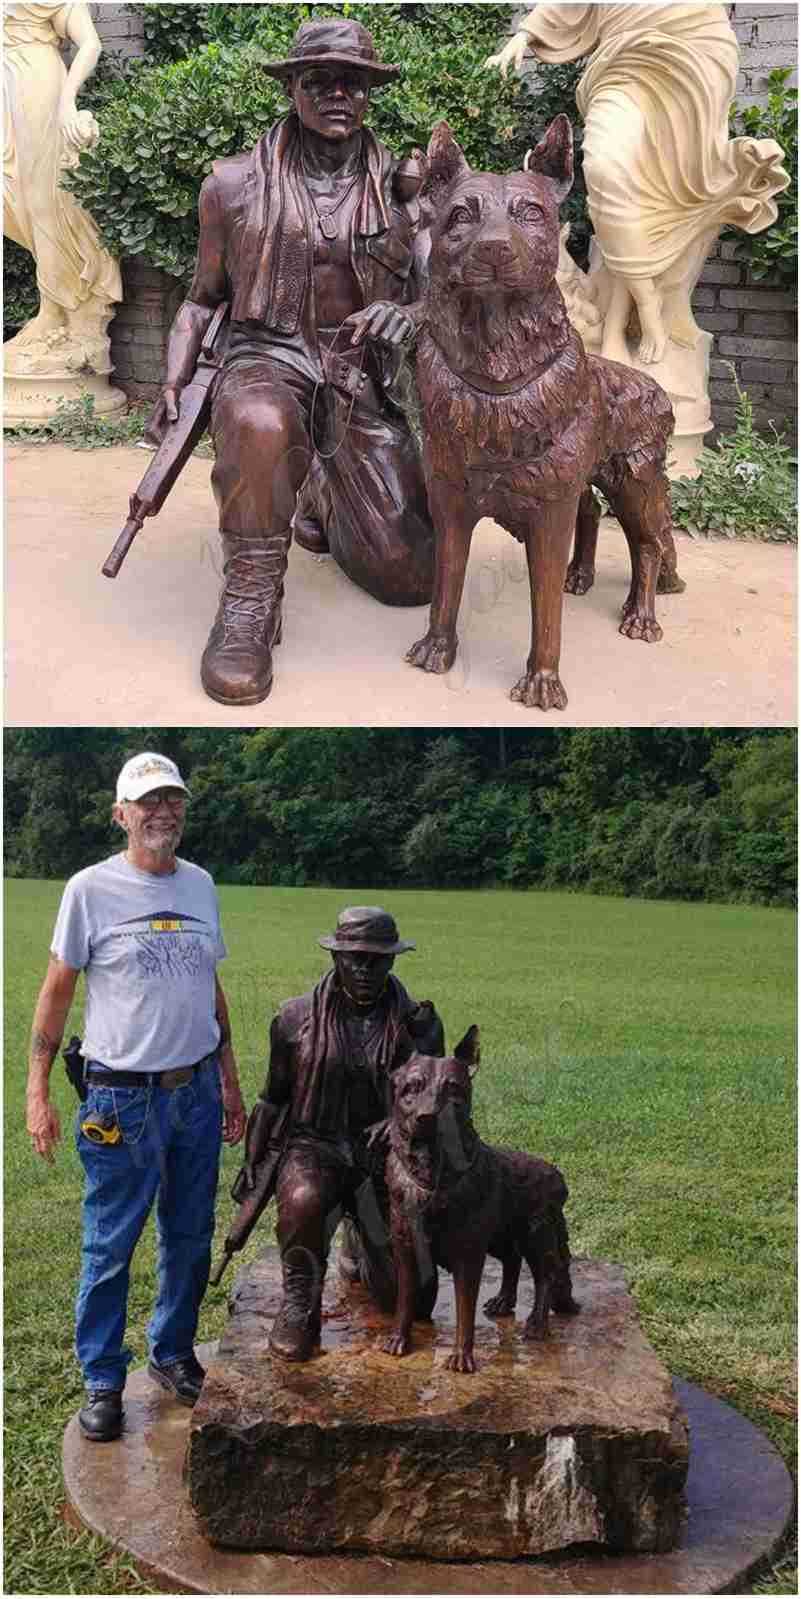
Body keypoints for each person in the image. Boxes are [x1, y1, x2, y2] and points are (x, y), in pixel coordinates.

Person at [148, 17, 436, 709]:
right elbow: (199, 301)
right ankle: (249, 600)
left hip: (360, 373)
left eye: (354, 84)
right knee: (257, 419)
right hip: (266, 354)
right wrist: (173, 379)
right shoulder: (232, 185)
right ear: (292, 90)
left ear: (370, 95)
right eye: (320, 82)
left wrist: (412, 315)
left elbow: (439, 303)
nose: (339, 95)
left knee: (409, 579)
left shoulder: (408, 192)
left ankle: (314, 495)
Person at [26, 751, 246, 1443]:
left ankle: (172, 1353)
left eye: (172, 799)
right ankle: (101, 1378)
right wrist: (36, 1089)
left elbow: (211, 990)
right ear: (121, 812)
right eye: (147, 801)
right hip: (119, 1100)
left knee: (188, 1236)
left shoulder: (202, 884)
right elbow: (57, 990)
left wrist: (231, 1080)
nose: (162, 812)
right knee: (109, 1246)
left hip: (197, 1092)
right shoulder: (90, 889)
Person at [486, 4, 789, 365]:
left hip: (695, 48)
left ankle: (615, 327)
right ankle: (647, 304)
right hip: (622, 59)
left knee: (652, 201)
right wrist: (523, 34)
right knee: (604, 166)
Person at [235, 906, 444, 1362]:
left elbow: (433, 1101)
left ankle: (360, 1245)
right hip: (316, 1144)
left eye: (376, 959)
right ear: (336, 957)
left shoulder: (420, 1026)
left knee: (417, 1302)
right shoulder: (294, 1020)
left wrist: (394, 1123)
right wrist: (253, 1158)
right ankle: (300, 1300)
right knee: (305, 1199)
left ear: (393, 960)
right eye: (354, 958)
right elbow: (272, 1098)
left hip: (386, 1156)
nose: (365, 969)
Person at [3, 2, 122, 367]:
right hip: (5, 88)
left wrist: (67, 102)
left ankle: (56, 310)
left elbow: (90, 43)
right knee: (13, 197)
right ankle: (54, 306)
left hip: (36, 83)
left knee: (43, 195)